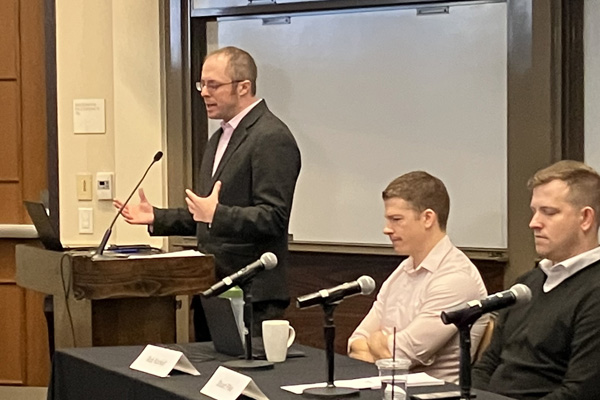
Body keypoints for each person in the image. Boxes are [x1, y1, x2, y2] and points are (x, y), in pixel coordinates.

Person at [114, 46, 301, 338]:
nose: (204, 93)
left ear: (243, 87)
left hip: (252, 296)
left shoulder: (271, 137)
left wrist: (216, 214)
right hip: (212, 289)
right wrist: (158, 217)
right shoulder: (219, 138)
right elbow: (206, 215)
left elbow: (273, 217)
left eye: (213, 85)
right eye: (202, 84)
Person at [472, 160, 600, 400]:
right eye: (534, 211)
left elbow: (581, 392)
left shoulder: (594, 291)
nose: (534, 223)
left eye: (549, 212)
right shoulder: (526, 285)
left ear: (585, 218)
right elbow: (487, 365)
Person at [348, 171, 488, 383]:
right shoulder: (403, 270)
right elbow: (355, 343)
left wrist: (376, 341)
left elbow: (402, 356)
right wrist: (381, 345)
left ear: (427, 218)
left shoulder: (456, 278)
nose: (387, 229)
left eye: (396, 220)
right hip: (388, 386)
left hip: (433, 394)